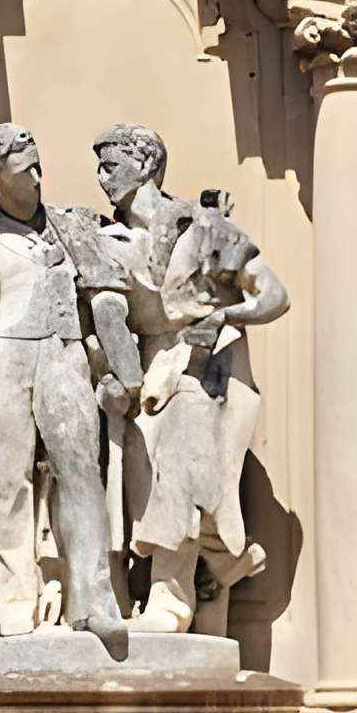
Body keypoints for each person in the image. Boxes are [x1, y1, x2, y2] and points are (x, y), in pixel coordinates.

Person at [0, 124, 129, 640]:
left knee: (82, 471)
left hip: (63, 353)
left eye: (36, 161)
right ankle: (17, 597)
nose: (35, 172)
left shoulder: (72, 228)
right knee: (9, 481)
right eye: (22, 164)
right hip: (2, 358)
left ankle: (94, 598)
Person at [90, 125, 288, 633]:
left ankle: (171, 603)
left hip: (204, 366)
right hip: (144, 369)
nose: (101, 177)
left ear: (147, 163)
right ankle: (223, 561)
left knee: (181, 465)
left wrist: (227, 316)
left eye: (111, 165)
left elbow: (274, 296)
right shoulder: (106, 239)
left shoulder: (204, 227)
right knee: (144, 484)